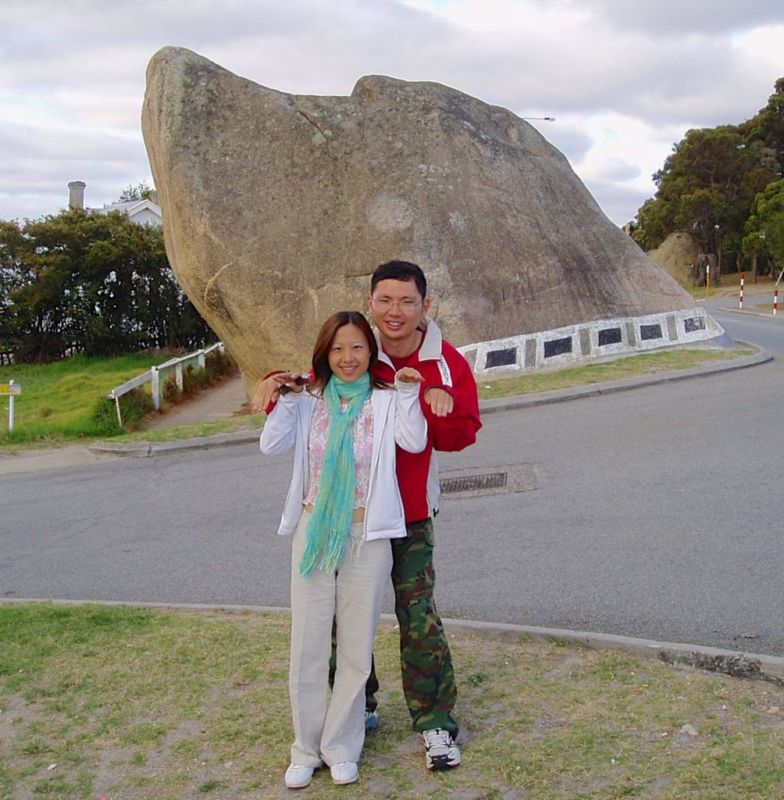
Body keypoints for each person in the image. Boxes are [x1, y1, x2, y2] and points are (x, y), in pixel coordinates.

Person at [254, 261, 482, 772]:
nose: (394, 311)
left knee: (417, 616)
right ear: (371, 302)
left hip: (410, 514)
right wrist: (274, 383)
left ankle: (435, 723)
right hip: (343, 517)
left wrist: (434, 401)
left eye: (407, 301)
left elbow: (461, 433)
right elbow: (314, 385)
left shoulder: (443, 362)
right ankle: (358, 710)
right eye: (385, 300)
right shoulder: (360, 348)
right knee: (342, 619)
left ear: (425, 305)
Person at [259, 310, 427, 790]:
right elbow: (270, 445)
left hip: (365, 536)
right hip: (314, 532)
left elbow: (414, 440)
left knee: (356, 648)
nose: (347, 357)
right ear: (324, 354)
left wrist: (410, 394)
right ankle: (305, 748)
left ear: (370, 351)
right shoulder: (309, 401)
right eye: (337, 349)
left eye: (356, 347)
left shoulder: (386, 399)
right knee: (308, 644)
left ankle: (342, 747)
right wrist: (287, 400)